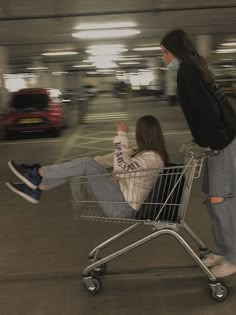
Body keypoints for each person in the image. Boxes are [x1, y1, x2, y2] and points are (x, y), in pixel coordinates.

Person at [160, 29, 236, 277]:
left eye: (165, 53)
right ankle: (221, 250)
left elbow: (209, 112)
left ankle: (232, 258)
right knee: (210, 196)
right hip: (217, 141)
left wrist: (212, 141)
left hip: (222, 142)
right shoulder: (193, 69)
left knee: (220, 199)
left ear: (176, 52)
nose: (164, 58)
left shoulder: (188, 73)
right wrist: (201, 139)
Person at [6, 115, 168, 219]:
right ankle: (38, 185)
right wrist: (91, 163)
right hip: (116, 195)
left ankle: (36, 175)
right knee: (82, 166)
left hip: (123, 206)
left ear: (143, 134)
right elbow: (109, 161)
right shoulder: (142, 152)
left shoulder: (153, 158)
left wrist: (121, 136)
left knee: (85, 165)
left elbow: (122, 167)